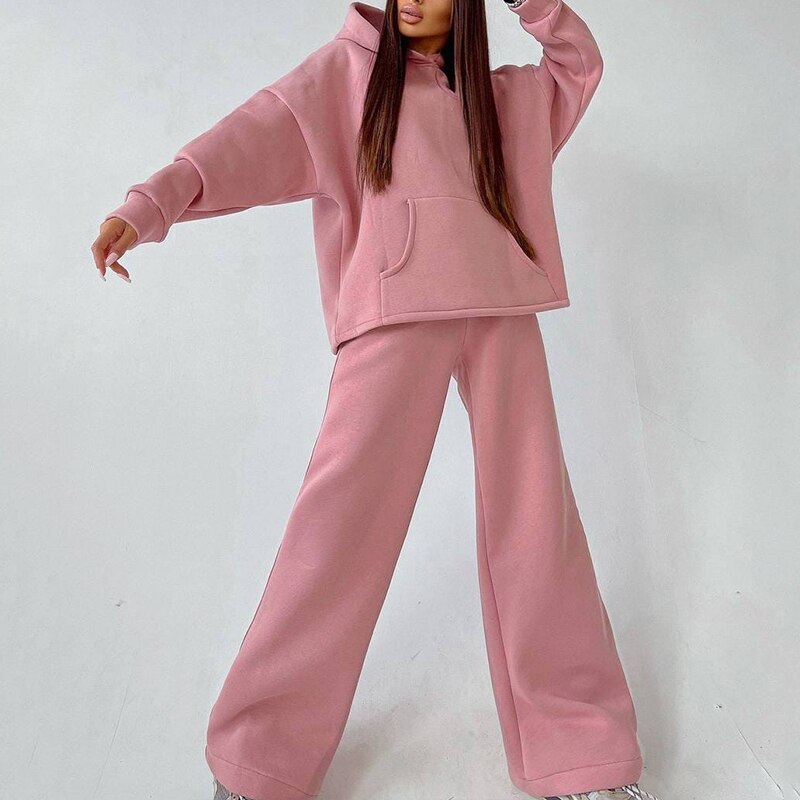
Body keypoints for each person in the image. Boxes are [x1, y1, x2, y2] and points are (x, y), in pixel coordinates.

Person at [92, 1, 665, 799]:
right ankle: (262, 759)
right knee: (339, 527)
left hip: (502, 312)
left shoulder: (501, 99)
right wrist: (149, 205)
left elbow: (577, 66)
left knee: (539, 523)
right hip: (392, 320)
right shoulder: (345, 75)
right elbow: (248, 136)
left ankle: (580, 754)